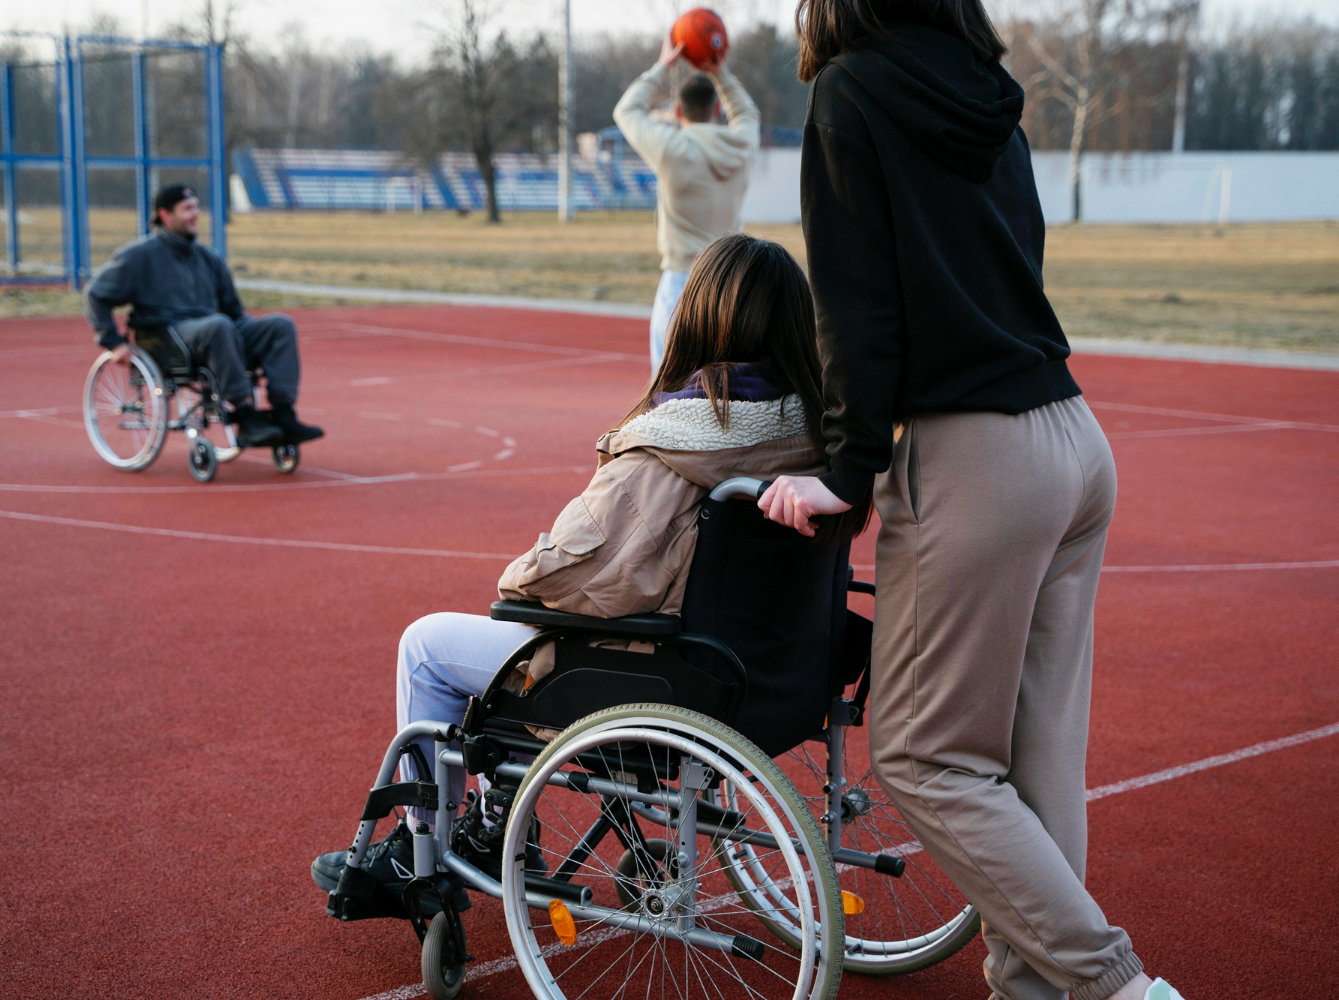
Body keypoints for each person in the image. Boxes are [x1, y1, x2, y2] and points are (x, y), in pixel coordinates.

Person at [757, 3, 1184, 1000]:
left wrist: (845, 471)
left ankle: (1116, 984)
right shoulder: (991, 96)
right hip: (1073, 436)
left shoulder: (848, 94)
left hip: (977, 454)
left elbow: (855, 310)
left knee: (918, 752)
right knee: (1038, 767)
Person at [310, 233, 828, 905]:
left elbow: (570, 576)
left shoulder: (675, 444)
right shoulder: (815, 436)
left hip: (664, 676)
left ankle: (420, 847)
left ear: (700, 319)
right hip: (773, 672)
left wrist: (523, 580)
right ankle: (497, 819)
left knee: (434, 645)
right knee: (536, 648)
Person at [85, 183, 323, 448]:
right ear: (165, 215)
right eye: (187, 209)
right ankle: (244, 416)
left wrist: (255, 334)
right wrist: (113, 342)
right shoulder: (138, 256)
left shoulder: (208, 257)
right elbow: (96, 294)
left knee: (280, 324)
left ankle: (283, 413)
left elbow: (234, 312)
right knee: (218, 326)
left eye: (196, 207)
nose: (195, 214)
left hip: (214, 333)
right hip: (167, 335)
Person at [613, 31, 760, 373]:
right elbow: (748, 113)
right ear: (718, 108)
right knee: (729, 389)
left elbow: (627, 110)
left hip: (680, 282)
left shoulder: (672, 148)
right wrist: (718, 70)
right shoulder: (741, 146)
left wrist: (662, 66)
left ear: (679, 110)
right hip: (730, 282)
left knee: (667, 390)